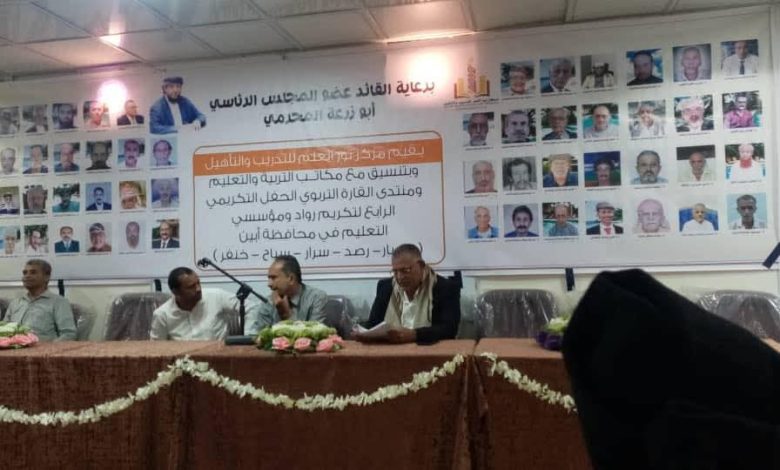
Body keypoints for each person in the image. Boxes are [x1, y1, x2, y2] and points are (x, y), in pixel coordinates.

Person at [355, 244, 460, 344]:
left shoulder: (444, 288)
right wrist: (362, 332)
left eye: (405, 270)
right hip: (390, 352)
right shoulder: (386, 287)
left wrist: (414, 335)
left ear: (421, 265)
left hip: (428, 351)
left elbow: (449, 329)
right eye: (395, 272)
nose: (400, 277)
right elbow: (373, 324)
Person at [151, 267, 244, 340]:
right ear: (176, 292)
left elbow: (249, 306)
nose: (198, 289)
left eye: (198, 283)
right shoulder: (162, 315)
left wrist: (248, 336)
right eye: (191, 287)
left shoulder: (216, 296)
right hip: (183, 358)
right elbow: (157, 349)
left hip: (219, 356)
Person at [244, 255, 328, 335]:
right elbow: (259, 335)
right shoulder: (269, 301)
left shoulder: (316, 298)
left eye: (274, 278)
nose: (269, 284)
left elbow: (315, 336)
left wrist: (287, 316)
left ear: (291, 279)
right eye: (269, 278)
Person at [4, 260, 76, 341]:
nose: (27, 276)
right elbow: (4, 331)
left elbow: (68, 334)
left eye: (33, 272)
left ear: (46, 277)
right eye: (25, 273)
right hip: (13, 347)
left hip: (44, 347)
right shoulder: (15, 303)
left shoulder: (59, 302)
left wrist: (50, 348)